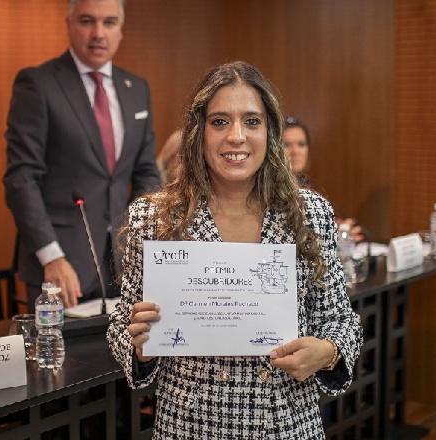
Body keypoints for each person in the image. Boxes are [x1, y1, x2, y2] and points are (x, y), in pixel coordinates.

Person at [107, 60, 363, 439]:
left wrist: (327, 351)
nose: (236, 137)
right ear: (199, 132)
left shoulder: (311, 214)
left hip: (286, 424)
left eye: (252, 121)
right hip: (190, 427)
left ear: (270, 132)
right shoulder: (154, 218)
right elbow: (120, 327)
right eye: (220, 121)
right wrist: (139, 343)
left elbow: (343, 322)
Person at [3, 0, 160, 312]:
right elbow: (22, 179)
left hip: (122, 263)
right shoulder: (39, 84)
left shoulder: (137, 88)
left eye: (109, 22)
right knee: (60, 360)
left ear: (121, 31)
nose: (98, 33)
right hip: (61, 267)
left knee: (121, 359)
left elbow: (146, 175)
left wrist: (140, 244)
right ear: (69, 25)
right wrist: (52, 257)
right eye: (88, 21)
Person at [284, 117, 366, 243]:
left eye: (301, 144)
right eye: (286, 145)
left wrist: (338, 229)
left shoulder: (305, 185)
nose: (295, 151)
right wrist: (330, 235)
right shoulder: (272, 189)